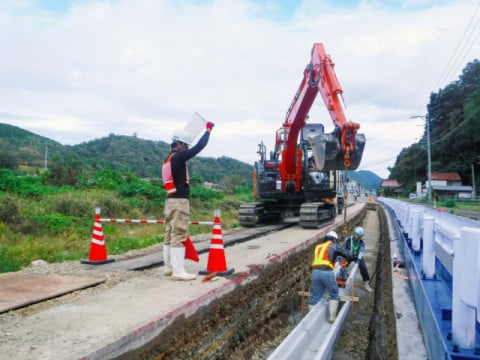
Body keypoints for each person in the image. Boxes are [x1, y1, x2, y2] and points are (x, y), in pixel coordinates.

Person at [161, 121, 214, 280]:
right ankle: (178, 271)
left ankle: (168, 267)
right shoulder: (178, 157)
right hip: (179, 202)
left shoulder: (168, 159)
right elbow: (199, 147)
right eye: (185, 145)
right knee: (179, 233)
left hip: (170, 201)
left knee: (169, 234)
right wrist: (208, 131)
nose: (187, 149)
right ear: (179, 144)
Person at [309, 230, 356, 323]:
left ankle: (311, 320)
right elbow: (349, 255)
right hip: (327, 273)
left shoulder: (318, 247)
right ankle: (332, 319)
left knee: (315, 297)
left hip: (315, 273)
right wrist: (347, 261)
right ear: (334, 239)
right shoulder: (334, 246)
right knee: (334, 294)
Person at [344, 226, 373, 292]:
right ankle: (342, 279)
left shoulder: (361, 243)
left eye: (359, 236)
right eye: (356, 234)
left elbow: (361, 252)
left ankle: (366, 284)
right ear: (354, 233)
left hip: (357, 257)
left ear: (361, 236)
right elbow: (344, 250)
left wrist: (358, 262)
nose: (357, 236)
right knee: (343, 266)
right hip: (349, 256)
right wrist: (344, 257)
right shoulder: (348, 240)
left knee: (363, 268)